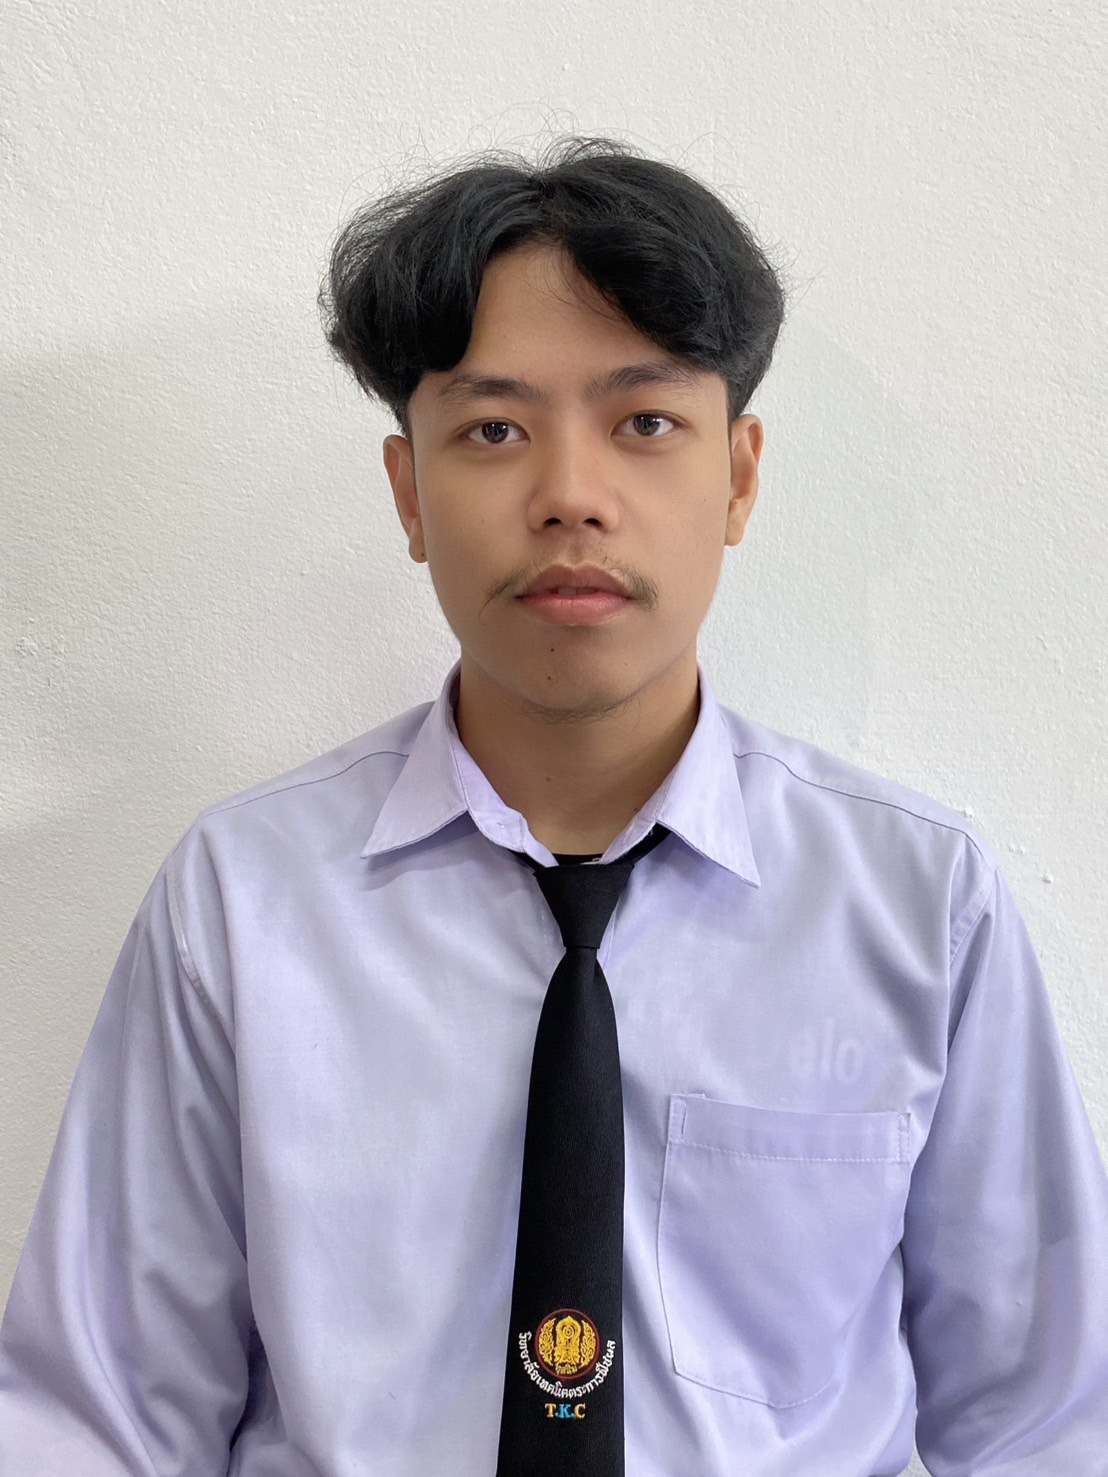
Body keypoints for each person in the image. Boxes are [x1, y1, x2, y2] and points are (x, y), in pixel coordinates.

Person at [1, 133, 1106, 1477]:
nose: (571, 497)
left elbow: (1050, 1423)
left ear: (739, 476)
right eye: (493, 430)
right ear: (409, 493)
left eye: (644, 423)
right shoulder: (243, 900)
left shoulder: (919, 902)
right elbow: (100, 1421)